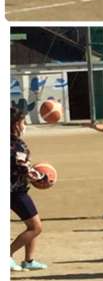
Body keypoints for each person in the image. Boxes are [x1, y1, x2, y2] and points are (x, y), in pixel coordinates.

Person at [10, 106, 48, 271]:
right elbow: (22, 168)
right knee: (35, 227)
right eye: (22, 122)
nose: (24, 125)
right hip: (14, 191)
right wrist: (42, 178)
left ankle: (29, 260)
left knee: (31, 223)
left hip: (16, 189)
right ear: (15, 124)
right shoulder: (17, 145)